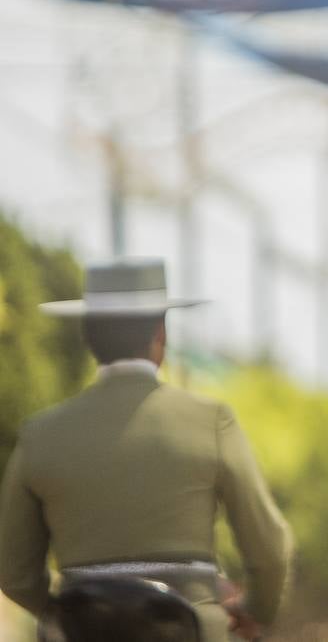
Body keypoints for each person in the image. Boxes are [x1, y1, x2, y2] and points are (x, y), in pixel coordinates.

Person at [0, 258, 292, 642]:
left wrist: (71, 615)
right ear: (161, 334)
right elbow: (270, 549)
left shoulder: (39, 434)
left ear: (88, 337)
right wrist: (255, 611)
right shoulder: (212, 421)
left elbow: (13, 572)